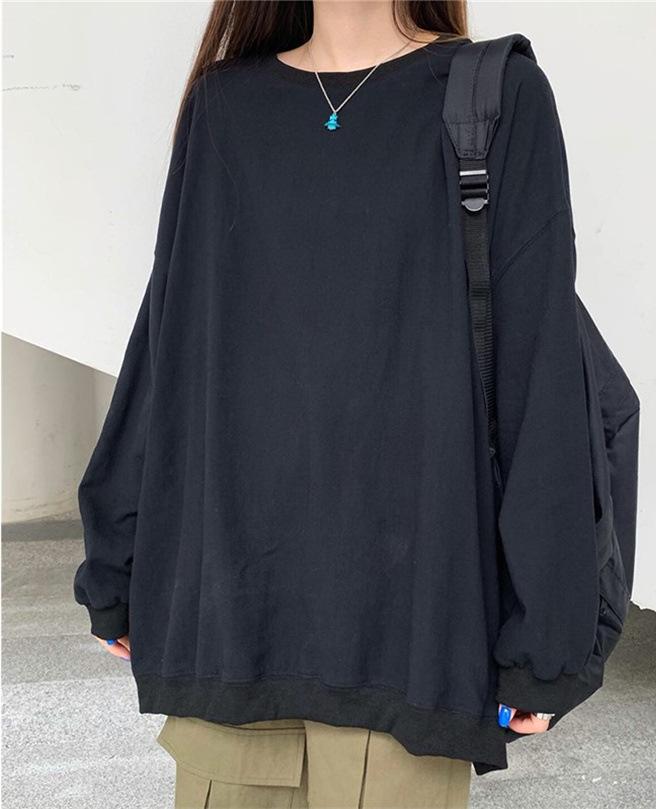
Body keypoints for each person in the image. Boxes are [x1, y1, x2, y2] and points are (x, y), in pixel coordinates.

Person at [74, 1, 607, 806]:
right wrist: (117, 560)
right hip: (232, 636)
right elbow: (170, 343)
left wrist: (547, 636)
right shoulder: (224, 107)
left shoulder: (495, 98)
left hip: (409, 644)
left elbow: (540, 373)